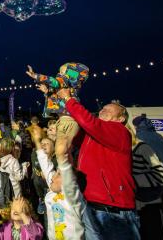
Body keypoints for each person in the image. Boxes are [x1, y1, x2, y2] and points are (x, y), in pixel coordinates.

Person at [58, 88, 138, 240]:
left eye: (108, 109)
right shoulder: (93, 134)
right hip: (91, 204)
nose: (102, 110)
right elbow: (75, 134)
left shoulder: (119, 131)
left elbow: (90, 122)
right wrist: (61, 110)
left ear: (121, 118)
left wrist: (69, 100)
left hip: (114, 209)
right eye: (102, 108)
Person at [129, 124, 163, 240]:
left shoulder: (141, 147)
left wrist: (131, 180)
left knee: (153, 233)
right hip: (132, 206)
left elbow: (161, 174)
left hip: (148, 203)